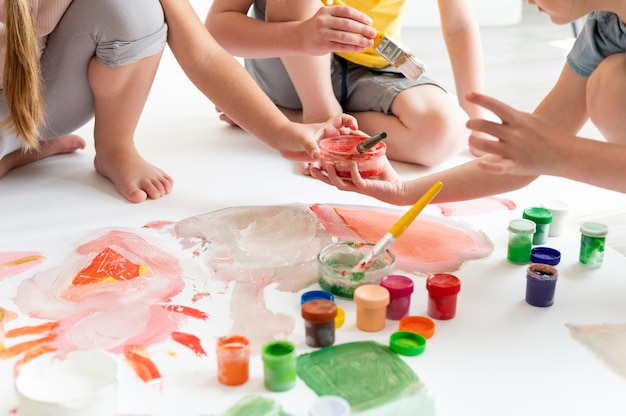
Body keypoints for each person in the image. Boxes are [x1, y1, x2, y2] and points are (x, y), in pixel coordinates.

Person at [0, 0, 357, 204]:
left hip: (36, 101)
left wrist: (280, 131)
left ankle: (114, 147)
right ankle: (17, 151)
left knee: (132, 8)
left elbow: (203, 54)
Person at [309, 0, 626, 205]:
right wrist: (404, 192)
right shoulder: (606, 32)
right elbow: (523, 161)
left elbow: (542, 154)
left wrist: (559, 154)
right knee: (611, 82)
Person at [206, 0, 487, 167]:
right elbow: (216, 30)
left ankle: (282, 117)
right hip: (291, 64)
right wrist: (299, 36)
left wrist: (478, 123)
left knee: (446, 133)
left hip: (372, 66)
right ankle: (319, 116)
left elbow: (457, 25)